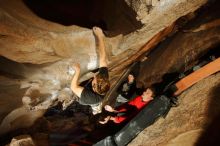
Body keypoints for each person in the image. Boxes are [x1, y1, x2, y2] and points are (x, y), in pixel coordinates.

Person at [70, 27, 110, 109]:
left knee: (77, 86)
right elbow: (103, 58)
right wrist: (100, 36)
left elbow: (73, 87)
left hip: (84, 99)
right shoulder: (103, 78)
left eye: (94, 79)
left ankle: (95, 108)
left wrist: (77, 71)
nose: (95, 76)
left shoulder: (89, 97)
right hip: (94, 92)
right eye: (96, 77)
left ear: (94, 88)